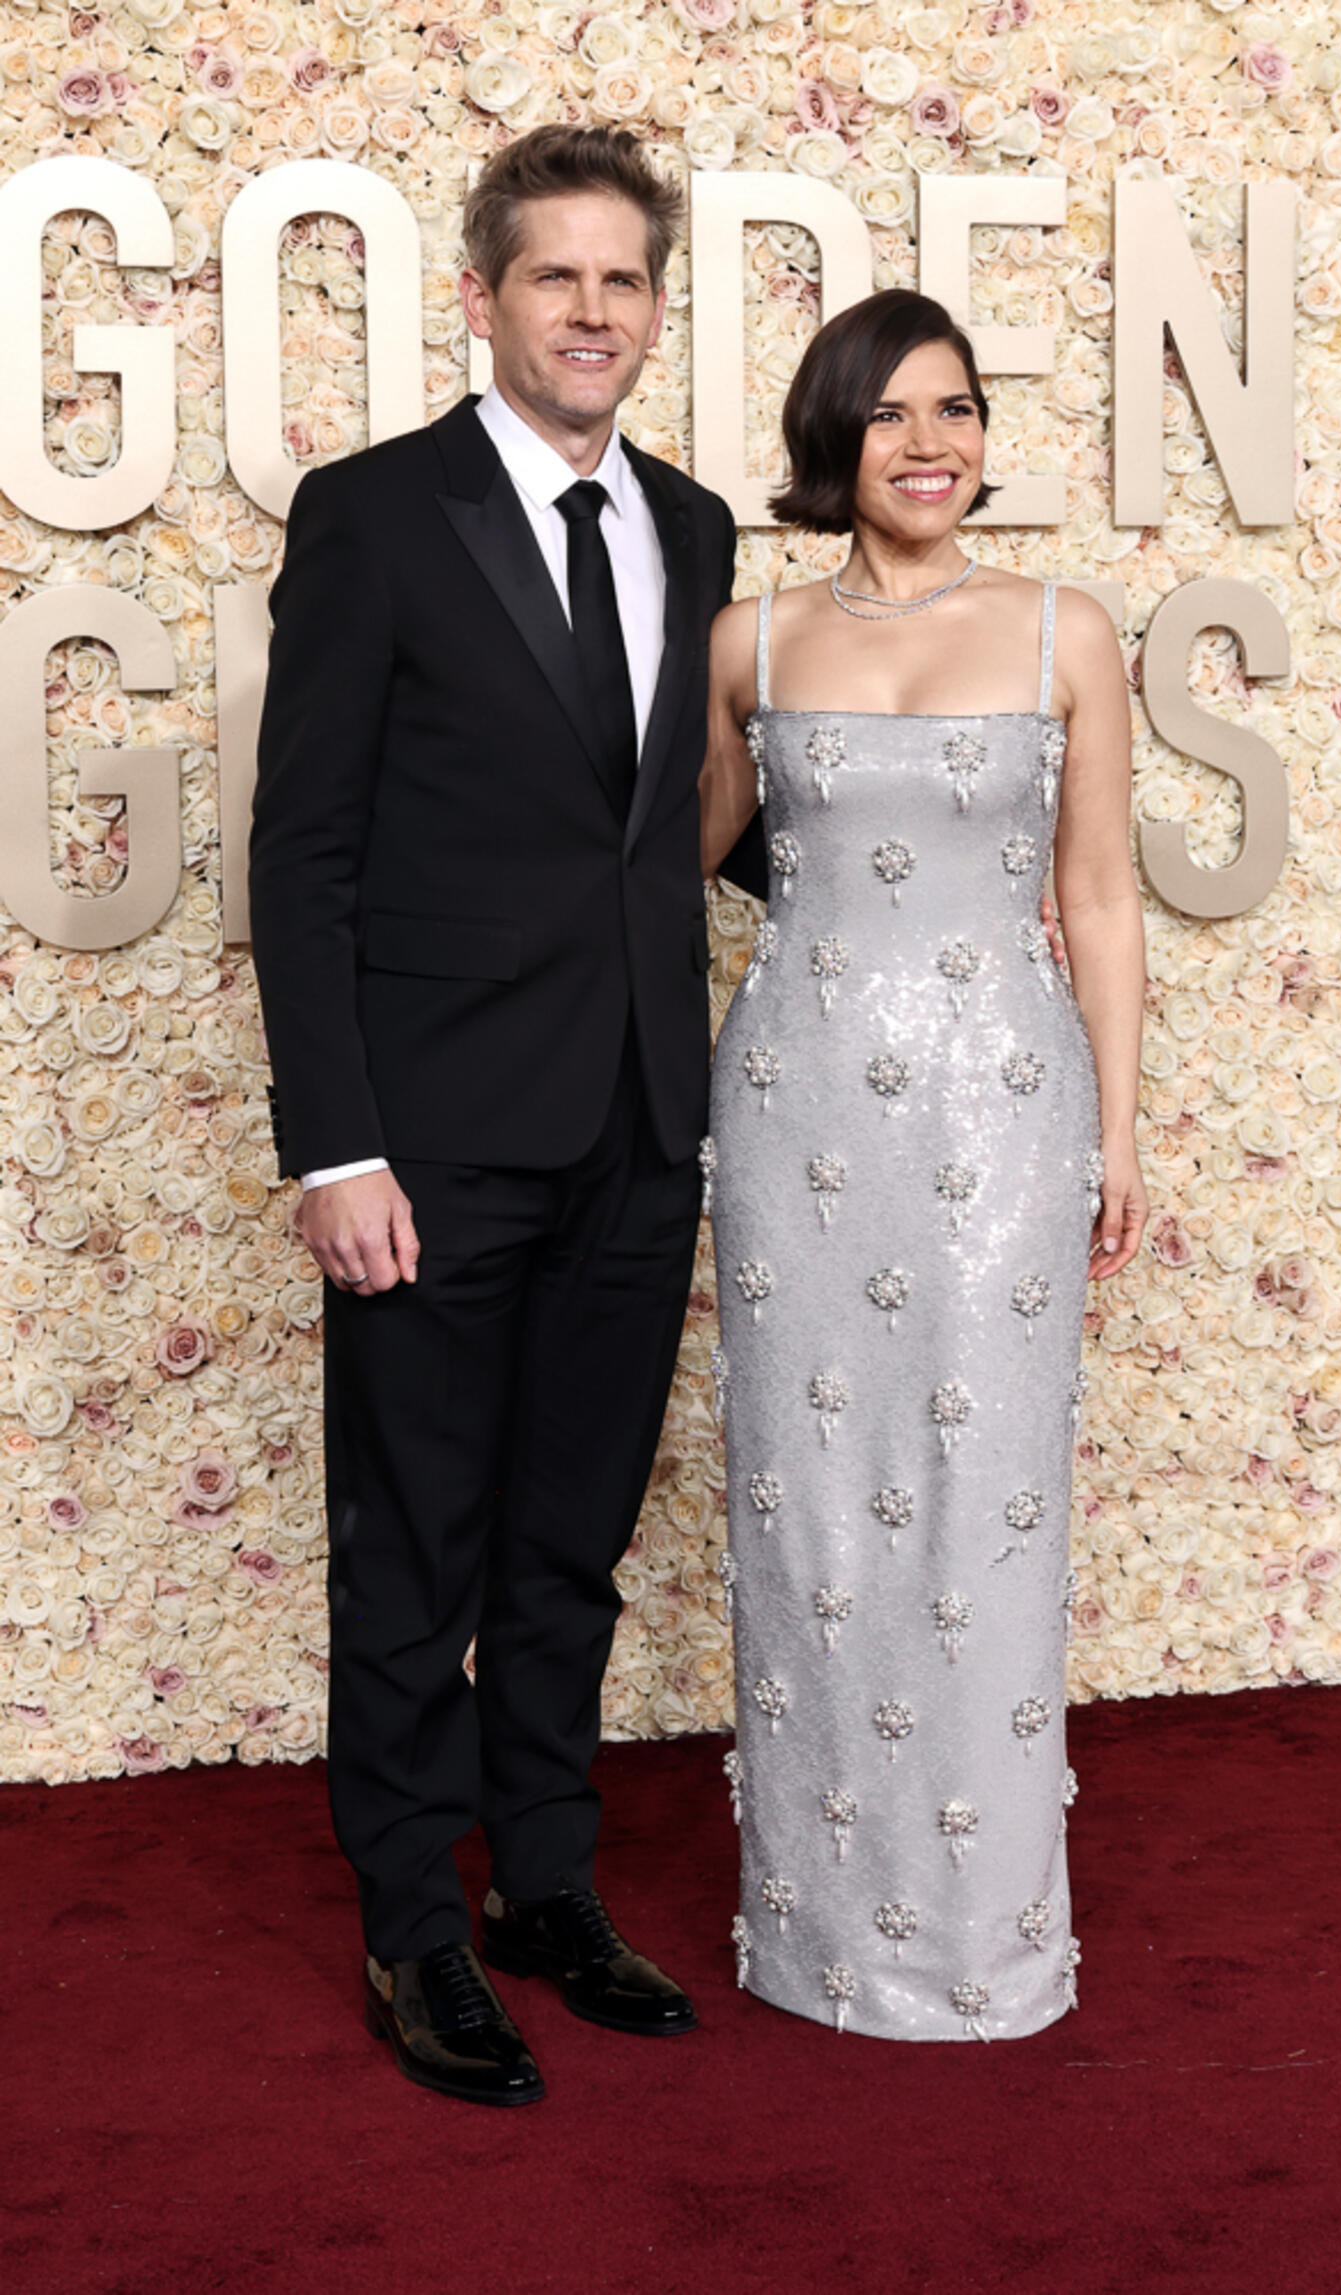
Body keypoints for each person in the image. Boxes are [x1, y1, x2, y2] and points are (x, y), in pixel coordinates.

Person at [250, 125, 758, 2105]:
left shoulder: (699, 525)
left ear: (653, 304)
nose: (591, 312)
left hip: (640, 1116)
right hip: (433, 1135)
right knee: (415, 1546)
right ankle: (409, 1922)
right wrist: (334, 1142)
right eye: (553, 278)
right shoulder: (375, 513)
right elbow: (305, 851)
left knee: (566, 1540)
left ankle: (544, 1881)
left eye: (622, 280)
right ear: (482, 296)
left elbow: (682, 827)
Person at [700, 289, 1148, 2041]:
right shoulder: (750, 643)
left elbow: (1099, 895)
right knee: (806, 1501)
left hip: (1004, 1123)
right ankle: (817, 1938)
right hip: (799, 1110)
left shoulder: (1066, 634)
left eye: (955, 408)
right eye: (889, 415)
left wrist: (1117, 1126)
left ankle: (981, 1940)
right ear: (836, 440)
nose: (930, 443)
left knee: (986, 1507)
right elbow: (658, 873)